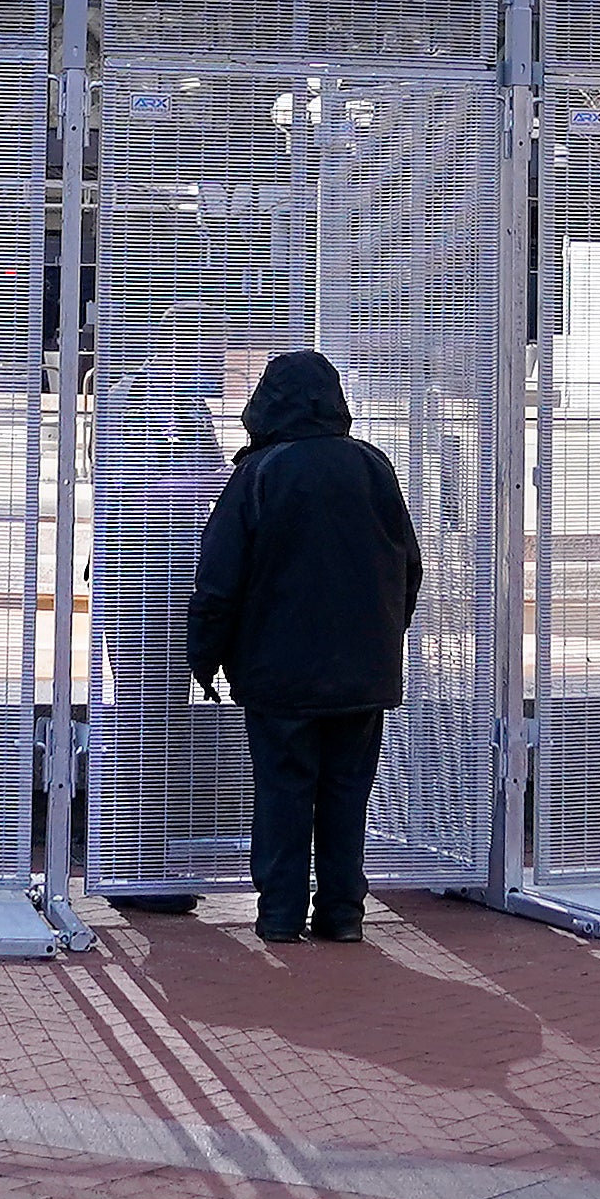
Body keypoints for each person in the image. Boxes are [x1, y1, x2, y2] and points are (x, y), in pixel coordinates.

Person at [184, 347, 422, 942]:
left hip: (278, 675)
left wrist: (205, 657)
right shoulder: (374, 466)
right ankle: (343, 914)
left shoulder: (259, 473)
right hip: (363, 676)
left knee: (285, 793)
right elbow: (408, 565)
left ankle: (281, 915)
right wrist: (383, 637)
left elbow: (218, 579)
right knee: (347, 797)